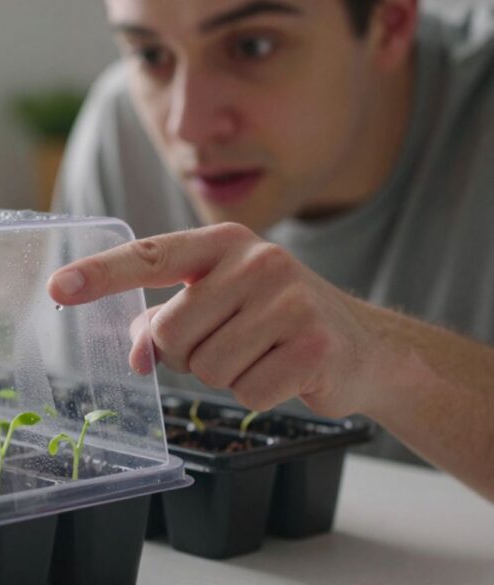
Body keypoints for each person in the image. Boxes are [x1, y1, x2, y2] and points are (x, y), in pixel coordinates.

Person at [47, 0, 494, 502]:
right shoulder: (119, 130)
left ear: (388, 24)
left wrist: (380, 356)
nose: (187, 127)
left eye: (251, 46)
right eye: (150, 54)